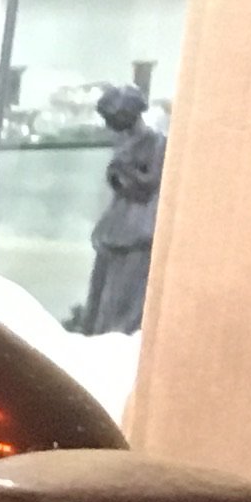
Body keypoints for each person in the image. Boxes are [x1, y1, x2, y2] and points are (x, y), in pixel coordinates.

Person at [80, 81, 163, 338]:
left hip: (137, 226)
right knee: (103, 292)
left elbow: (149, 182)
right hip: (118, 223)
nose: (109, 125)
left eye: (113, 119)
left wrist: (124, 171)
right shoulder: (123, 142)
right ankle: (97, 333)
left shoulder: (155, 142)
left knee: (124, 297)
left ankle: (115, 336)